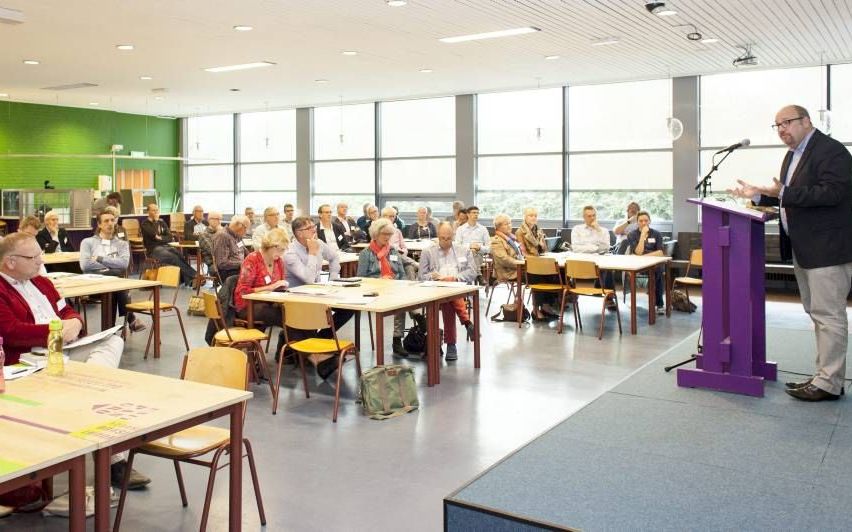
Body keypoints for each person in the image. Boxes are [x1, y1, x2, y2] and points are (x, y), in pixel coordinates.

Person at [0, 232, 150, 489]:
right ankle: (115, 464)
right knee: (99, 395)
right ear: (10, 262)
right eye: (33, 256)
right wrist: (56, 331)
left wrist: (76, 322)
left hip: (66, 350)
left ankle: (89, 381)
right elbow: (10, 332)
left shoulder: (42, 283)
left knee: (113, 340)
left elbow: (67, 309)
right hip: (31, 358)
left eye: (40, 254)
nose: (40, 261)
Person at [728, 104, 852, 402]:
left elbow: (831, 193)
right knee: (818, 313)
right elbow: (791, 198)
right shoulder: (791, 156)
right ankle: (826, 376)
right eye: (777, 125)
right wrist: (758, 196)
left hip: (828, 249)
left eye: (787, 122)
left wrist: (780, 192)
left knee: (828, 315)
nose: (782, 129)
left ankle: (829, 382)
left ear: (807, 121)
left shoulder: (831, 151)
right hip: (805, 247)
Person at [284, 216, 354, 378]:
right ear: (299, 233)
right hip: (297, 296)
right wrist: (313, 253)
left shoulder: (319, 243)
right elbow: (307, 279)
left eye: (313, 226)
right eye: (309, 228)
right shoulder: (290, 252)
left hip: (318, 292)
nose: (314, 229)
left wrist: (334, 276)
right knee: (312, 316)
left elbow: (334, 257)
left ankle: (320, 339)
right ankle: (315, 350)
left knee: (348, 309)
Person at [357, 218, 423, 357]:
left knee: (401, 298)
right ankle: (417, 317)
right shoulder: (366, 254)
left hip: (395, 287)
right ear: (375, 234)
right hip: (376, 290)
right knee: (401, 299)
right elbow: (361, 279)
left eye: (389, 234)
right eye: (384, 234)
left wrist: (403, 285)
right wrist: (380, 280)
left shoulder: (392, 251)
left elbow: (401, 273)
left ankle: (397, 341)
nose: (388, 237)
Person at [418, 222, 477, 360]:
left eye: (449, 238)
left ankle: (449, 343)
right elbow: (421, 276)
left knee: (449, 296)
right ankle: (464, 325)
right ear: (438, 236)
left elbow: (473, 272)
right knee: (448, 295)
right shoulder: (428, 252)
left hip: (458, 287)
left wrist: (455, 278)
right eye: (443, 238)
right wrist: (433, 276)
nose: (446, 241)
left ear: (453, 236)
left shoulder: (464, 250)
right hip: (435, 288)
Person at [79, 210, 145, 332]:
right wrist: (113, 265)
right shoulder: (88, 242)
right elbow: (85, 265)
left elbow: (124, 264)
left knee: (114, 286)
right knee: (116, 275)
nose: (110, 223)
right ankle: (131, 318)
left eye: (112, 220)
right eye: (106, 221)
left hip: (113, 285)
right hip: (94, 285)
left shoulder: (122, 244)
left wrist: (100, 259)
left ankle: (109, 332)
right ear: (99, 224)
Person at [234, 228, 289, 344]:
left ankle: (293, 352)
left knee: (294, 313)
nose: (281, 254)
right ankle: (305, 354)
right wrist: (270, 287)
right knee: (286, 318)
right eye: (280, 250)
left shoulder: (278, 262)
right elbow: (243, 292)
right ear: (271, 247)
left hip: (270, 303)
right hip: (248, 306)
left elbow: (281, 284)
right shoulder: (252, 259)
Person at [515, 207, 560, 319]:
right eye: (531, 215)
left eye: (535, 215)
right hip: (529, 265)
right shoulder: (520, 232)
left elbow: (544, 249)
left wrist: (542, 245)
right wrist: (536, 260)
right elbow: (523, 252)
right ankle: (535, 309)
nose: (534, 218)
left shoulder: (539, 230)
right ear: (524, 217)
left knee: (555, 274)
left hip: (541, 261)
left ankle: (546, 306)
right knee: (537, 276)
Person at [140, 203, 196, 286]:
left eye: (157, 210)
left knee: (179, 255)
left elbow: (169, 237)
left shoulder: (162, 222)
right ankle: (195, 275)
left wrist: (160, 238)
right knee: (173, 257)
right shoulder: (145, 224)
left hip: (165, 247)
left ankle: (190, 280)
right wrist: (156, 222)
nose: (156, 212)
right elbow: (153, 233)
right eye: (153, 210)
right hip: (153, 250)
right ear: (148, 211)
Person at [572, 205, 616, 305]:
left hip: (599, 261)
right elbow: (575, 248)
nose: (592, 218)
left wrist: (598, 231)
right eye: (589, 216)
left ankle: (608, 296)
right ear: (583, 217)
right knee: (565, 266)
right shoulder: (577, 229)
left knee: (608, 267)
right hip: (581, 261)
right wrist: (595, 248)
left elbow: (605, 248)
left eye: (594, 215)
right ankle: (567, 296)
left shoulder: (603, 231)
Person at [626, 211, 665, 316]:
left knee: (658, 271)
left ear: (650, 221)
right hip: (638, 266)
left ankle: (659, 304)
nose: (643, 223)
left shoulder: (656, 234)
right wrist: (643, 235)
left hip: (653, 264)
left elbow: (660, 252)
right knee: (657, 273)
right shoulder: (632, 235)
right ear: (637, 222)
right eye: (641, 221)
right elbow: (638, 251)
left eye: (646, 220)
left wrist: (643, 257)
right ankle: (654, 296)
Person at [212, 215, 249, 282]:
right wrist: (242, 263)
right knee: (257, 278)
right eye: (246, 228)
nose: (246, 231)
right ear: (239, 225)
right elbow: (222, 263)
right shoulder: (222, 236)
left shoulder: (237, 236)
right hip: (229, 273)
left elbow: (245, 252)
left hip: (240, 269)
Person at [489, 213, 522, 285]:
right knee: (538, 276)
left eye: (510, 223)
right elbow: (504, 260)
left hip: (519, 269)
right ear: (498, 227)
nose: (509, 226)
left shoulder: (512, 238)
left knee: (544, 273)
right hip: (509, 272)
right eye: (506, 224)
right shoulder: (496, 241)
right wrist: (522, 265)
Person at [455, 206, 489, 270]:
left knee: (474, 254)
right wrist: (470, 246)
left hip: (478, 255)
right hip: (464, 255)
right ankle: (477, 275)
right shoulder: (460, 229)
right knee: (471, 253)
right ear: (468, 214)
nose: (476, 214)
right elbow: (457, 246)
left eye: (477, 213)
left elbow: (489, 248)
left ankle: (473, 274)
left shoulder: (483, 229)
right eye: (473, 213)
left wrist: (479, 247)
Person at [198, 211, 223, 278]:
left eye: (220, 219)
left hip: (226, 262)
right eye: (217, 219)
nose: (219, 222)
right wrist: (219, 234)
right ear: (209, 220)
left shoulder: (223, 232)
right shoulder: (204, 234)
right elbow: (214, 251)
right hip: (214, 265)